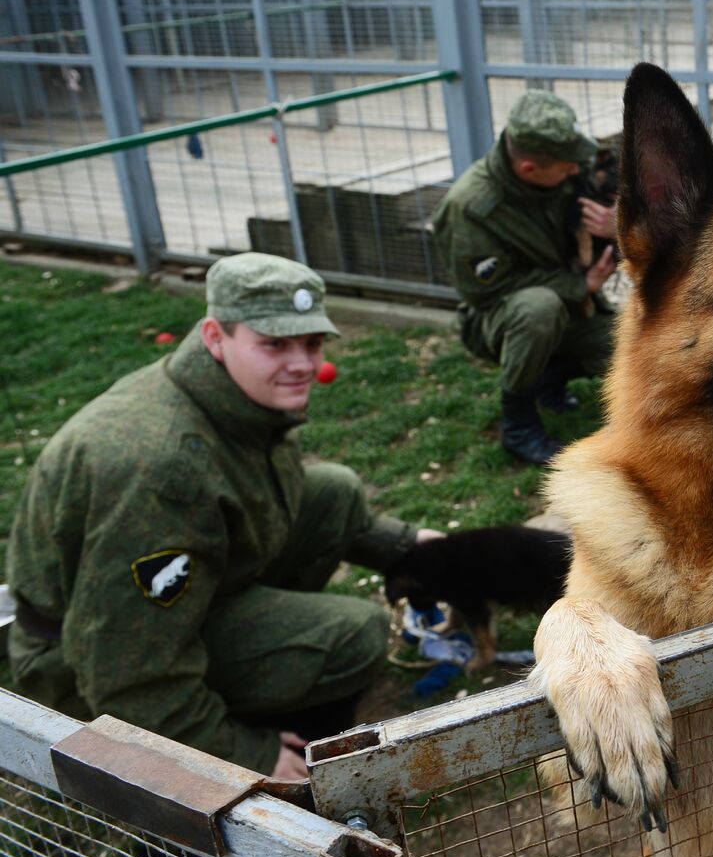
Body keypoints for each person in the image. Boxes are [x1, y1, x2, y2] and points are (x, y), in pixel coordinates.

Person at [6, 253, 443, 780]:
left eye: (311, 342)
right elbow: (126, 672)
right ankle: (259, 733)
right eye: (275, 344)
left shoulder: (231, 393)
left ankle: (257, 689)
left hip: (149, 615)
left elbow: (264, 494)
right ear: (216, 336)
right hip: (77, 671)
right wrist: (247, 757)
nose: (303, 363)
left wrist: (412, 545)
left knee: (334, 491)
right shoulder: (165, 471)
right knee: (355, 633)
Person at [431, 90, 618, 465]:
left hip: (572, 309)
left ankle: (548, 379)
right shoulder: (471, 208)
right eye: (566, 167)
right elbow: (486, 292)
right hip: (500, 320)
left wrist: (621, 225)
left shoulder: (568, 163)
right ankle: (518, 425)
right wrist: (578, 286)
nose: (575, 170)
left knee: (625, 344)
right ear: (529, 169)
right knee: (538, 309)